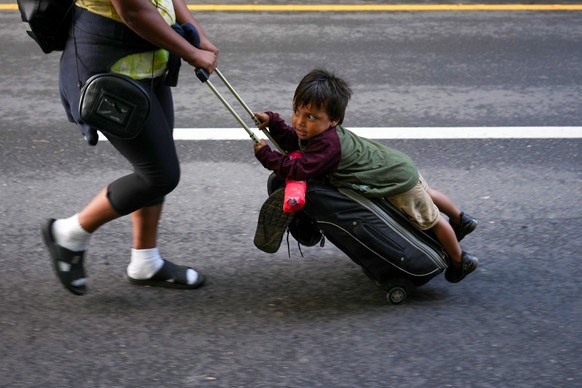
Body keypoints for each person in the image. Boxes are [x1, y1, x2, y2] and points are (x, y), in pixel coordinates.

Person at [41, 0, 219, 295]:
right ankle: (68, 234)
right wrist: (191, 51)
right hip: (110, 66)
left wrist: (197, 36)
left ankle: (145, 261)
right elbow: (134, 10)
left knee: (154, 165)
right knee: (159, 175)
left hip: (150, 56)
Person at [252, 68, 479, 283]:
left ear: (334, 120)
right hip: (395, 165)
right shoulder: (321, 135)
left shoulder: (327, 146)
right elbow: (296, 140)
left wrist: (267, 156)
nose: (300, 121)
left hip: (395, 181)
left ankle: (460, 261)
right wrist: (273, 122)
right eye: (296, 111)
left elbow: (298, 170)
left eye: (311, 117)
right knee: (428, 193)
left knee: (432, 220)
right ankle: (460, 219)